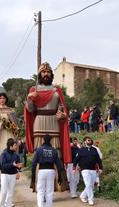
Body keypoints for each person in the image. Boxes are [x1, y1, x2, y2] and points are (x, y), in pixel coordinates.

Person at [24, 62, 71, 191]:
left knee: (57, 152)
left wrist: (62, 115)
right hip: (39, 122)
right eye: (43, 72)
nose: (46, 74)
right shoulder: (34, 90)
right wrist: (29, 98)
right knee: (40, 153)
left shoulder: (57, 90)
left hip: (53, 122)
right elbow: (30, 109)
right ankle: (39, 185)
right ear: (39, 74)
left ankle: (59, 184)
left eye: (48, 72)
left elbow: (62, 110)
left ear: (51, 74)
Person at [31, 135, 63, 207]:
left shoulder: (39, 150)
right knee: (49, 192)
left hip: (42, 170)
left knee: (40, 192)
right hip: (51, 171)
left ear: (43, 140)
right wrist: (59, 176)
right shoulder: (54, 150)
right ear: (51, 141)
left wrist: (33, 175)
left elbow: (34, 163)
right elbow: (59, 165)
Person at [73, 136, 103, 206]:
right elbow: (76, 159)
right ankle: (90, 199)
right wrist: (74, 167)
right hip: (84, 170)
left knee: (91, 185)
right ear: (85, 142)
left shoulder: (94, 150)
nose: (90, 141)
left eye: (90, 140)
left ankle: (83, 195)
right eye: (88, 140)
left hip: (93, 169)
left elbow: (98, 160)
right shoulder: (81, 150)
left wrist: (101, 168)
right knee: (88, 184)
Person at [0, 138, 21, 207]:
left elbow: (17, 164)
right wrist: (12, 165)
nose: (16, 147)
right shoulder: (3, 154)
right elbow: (2, 166)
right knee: (3, 191)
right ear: (10, 146)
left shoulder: (16, 155)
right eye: (15, 145)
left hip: (13, 175)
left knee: (10, 193)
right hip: (5, 175)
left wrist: (19, 167)